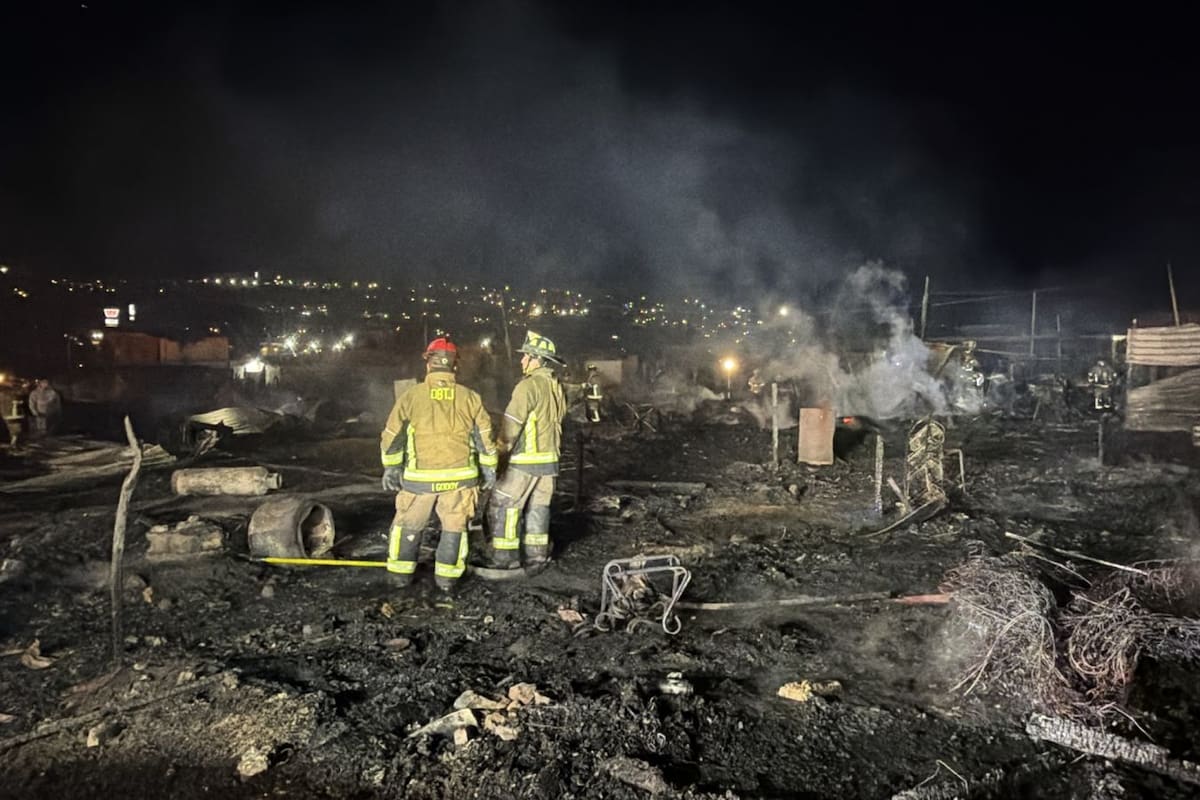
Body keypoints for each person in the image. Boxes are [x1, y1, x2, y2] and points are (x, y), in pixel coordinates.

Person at [380, 338, 497, 592]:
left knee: (408, 525)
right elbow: (485, 438)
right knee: (455, 528)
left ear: (428, 364)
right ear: (455, 366)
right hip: (460, 480)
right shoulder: (470, 398)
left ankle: (400, 579)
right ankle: (447, 582)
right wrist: (489, 468)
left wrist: (391, 467)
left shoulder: (411, 397)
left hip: (419, 480)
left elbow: (393, 437)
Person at [486, 331, 567, 569]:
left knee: (505, 505)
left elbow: (510, 428)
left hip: (524, 462)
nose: (522, 360)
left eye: (526, 356)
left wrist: (498, 459)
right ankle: (536, 557)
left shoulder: (528, 386)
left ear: (537, 360)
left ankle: (505, 559)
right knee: (538, 509)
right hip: (549, 463)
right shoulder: (556, 387)